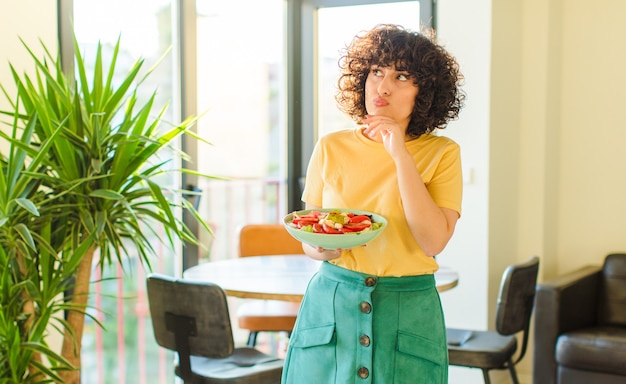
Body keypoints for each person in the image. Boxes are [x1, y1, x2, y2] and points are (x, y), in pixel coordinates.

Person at [281, 24, 465, 383]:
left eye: (401, 76)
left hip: (407, 309)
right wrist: (321, 248)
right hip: (332, 303)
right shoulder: (330, 147)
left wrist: (399, 154)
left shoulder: (443, 153)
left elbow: (433, 241)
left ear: (424, 91)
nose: (383, 86)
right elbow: (310, 233)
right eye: (377, 72)